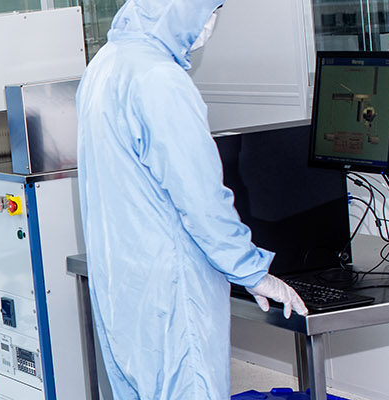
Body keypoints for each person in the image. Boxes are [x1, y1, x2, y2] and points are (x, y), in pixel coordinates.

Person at [75, 1, 309, 399]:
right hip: (171, 289)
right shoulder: (159, 79)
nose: (211, 22)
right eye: (209, 9)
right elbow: (201, 199)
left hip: (124, 288)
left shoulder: (104, 65)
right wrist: (251, 271)